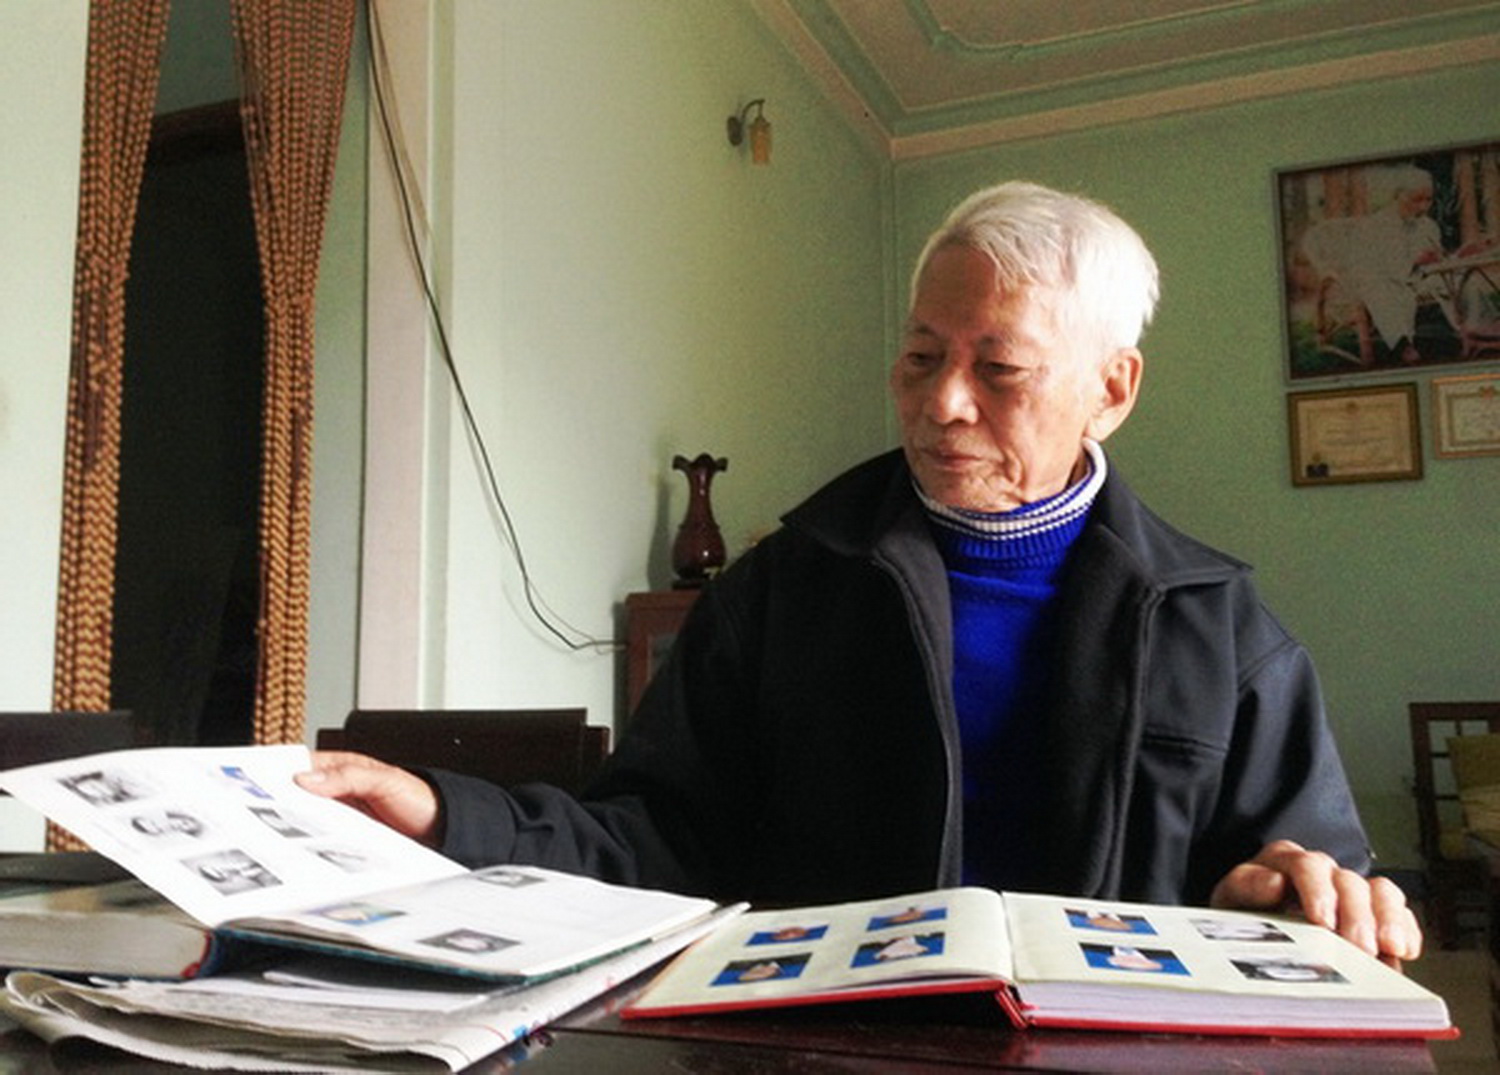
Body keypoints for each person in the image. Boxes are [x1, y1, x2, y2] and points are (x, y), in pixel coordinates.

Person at [300, 181, 1422, 965]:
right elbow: (651, 838)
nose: (942, 402)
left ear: (1111, 390)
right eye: (922, 356)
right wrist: (446, 814)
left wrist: (1296, 892)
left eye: (1000, 369)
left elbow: (1307, 878)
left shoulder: (1221, 626)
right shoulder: (781, 588)